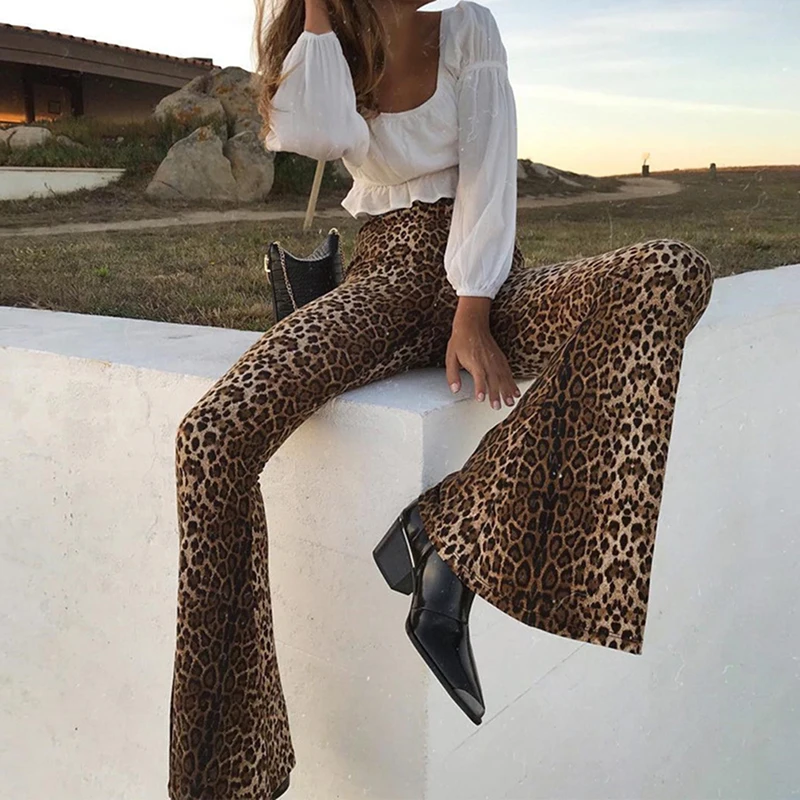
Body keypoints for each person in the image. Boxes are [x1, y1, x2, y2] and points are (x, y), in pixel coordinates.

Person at [167, 0, 715, 797]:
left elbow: (490, 169)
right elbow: (315, 133)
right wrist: (317, 15)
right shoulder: (331, 48)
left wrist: (473, 309)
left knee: (668, 272)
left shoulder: (467, 29)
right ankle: (226, 773)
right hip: (384, 282)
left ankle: (448, 536)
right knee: (213, 436)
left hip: (491, 284)